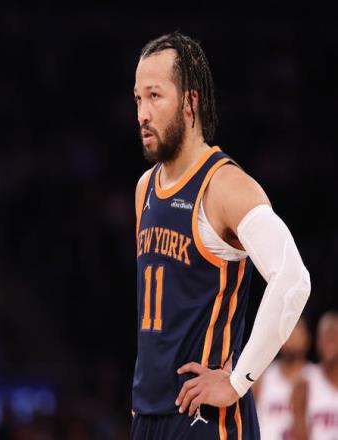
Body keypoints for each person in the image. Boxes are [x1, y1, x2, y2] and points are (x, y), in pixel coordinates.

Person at [131, 31, 311, 439]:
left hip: (207, 418)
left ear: (190, 101)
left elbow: (293, 279)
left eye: (155, 96)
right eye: (138, 98)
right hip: (149, 415)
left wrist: (237, 381)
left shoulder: (226, 186)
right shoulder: (145, 188)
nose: (142, 113)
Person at [254, 318, 314, 439]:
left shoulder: (316, 377)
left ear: (307, 339)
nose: (292, 337)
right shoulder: (262, 376)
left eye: (297, 331)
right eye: (289, 332)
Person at [292, 311, 338, 440]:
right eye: (325, 337)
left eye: (334, 336)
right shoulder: (305, 383)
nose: (329, 342)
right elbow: (299, 434)